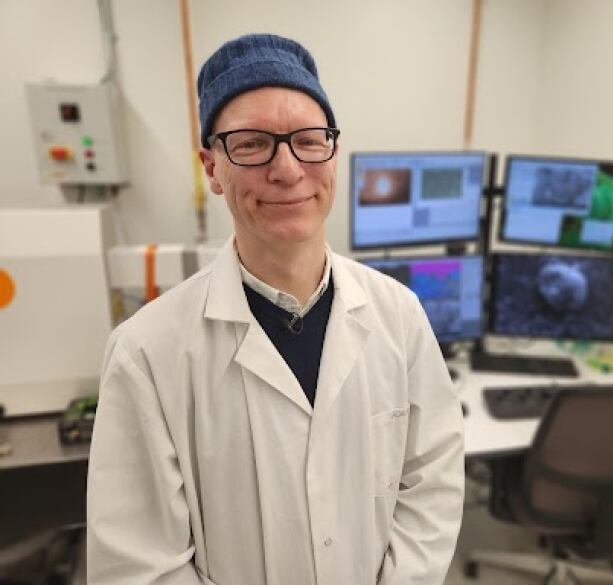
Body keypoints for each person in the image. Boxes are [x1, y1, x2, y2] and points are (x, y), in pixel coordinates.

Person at [87, 33, 465, 585]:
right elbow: (139, 564)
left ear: (332, 151)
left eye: (309, 141)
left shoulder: (399, 315)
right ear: (212, 167)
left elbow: (432, 480)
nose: (287, 170)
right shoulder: (147, 352)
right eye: (251, 143)